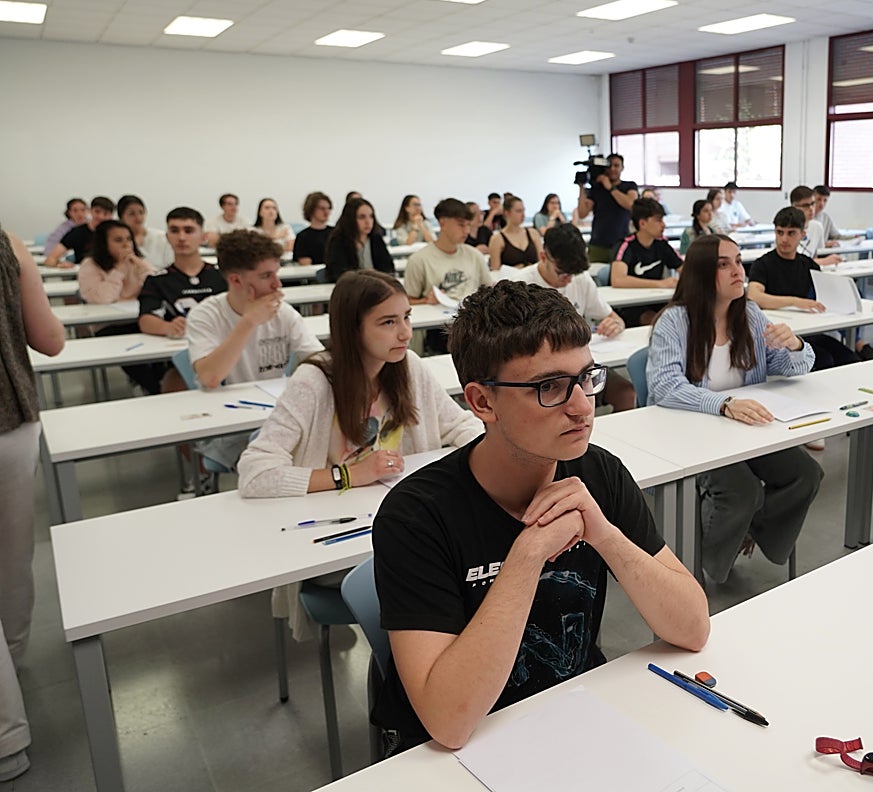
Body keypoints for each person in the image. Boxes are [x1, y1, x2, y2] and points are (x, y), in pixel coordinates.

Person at [371, 280, 709, 751]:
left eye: (586, 378)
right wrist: (528, 554)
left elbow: (692, 628)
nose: (581, 406)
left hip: (572, 712)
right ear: (482, 402)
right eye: (548, 387)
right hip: (462, 750)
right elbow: (448, 723)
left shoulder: (600, 473)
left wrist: (605, 535)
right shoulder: (416, 516)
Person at [238, 270, 483, 637]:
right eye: (388, 322)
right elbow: (255, 473)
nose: (404, 333)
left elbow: (461, 426)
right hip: (340, 541)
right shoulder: (315, 381)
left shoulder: (407, 367)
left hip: (402, 522)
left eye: (406, 318)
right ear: (352, 329)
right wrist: (348, 475)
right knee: (453, 570)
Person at [647, 233, 823, 584]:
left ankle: (750, 530)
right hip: (691, 430)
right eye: (723, 264)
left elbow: (792, 368)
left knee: (806, 474)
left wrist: (795, 345)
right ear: (700, 273)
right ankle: (706, 565)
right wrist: (724, 404)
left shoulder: (751, 314)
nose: (737, 271)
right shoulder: (675, 320)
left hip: (742, 430)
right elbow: (664, 386)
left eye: (739, 261)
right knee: (743, 492)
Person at [0, 226, 65, 782]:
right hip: (10, 422)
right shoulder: (8, 243)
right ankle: (12, 670)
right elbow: (50, 340)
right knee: (12, 560)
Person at [186, 230, 324, 471]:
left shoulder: (283, 313)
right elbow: (210, 377)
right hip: (226, 428)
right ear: (236, 280)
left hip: (275, 417)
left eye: (276, 274)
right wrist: (249, 322)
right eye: (266, 276)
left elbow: (319, 360)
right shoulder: (205, 315)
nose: (277, 284)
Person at [512, 224, 635, 411]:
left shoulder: (582, 279)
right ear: (543, 257)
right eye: (562, 273)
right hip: (540, 374)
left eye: (573, 273)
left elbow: (613, 317)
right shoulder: (520, 286)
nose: (569, 279)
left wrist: (615, 324)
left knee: (626, 393)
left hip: (582, 369)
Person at [747, 207, 873, 369]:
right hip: (778, 336)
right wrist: (796, 302)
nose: (784, 239)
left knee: (849, 359)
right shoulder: (762, 264)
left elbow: (824, 295)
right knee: (824, 361)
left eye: (791, 233)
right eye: (780, 232)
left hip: (807, 331)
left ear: (802, 235)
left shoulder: (807, 264)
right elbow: (755, 296)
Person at [138, 207, 228, 393]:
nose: (181, 237)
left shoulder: (222, 275)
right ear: (167, 236)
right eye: (174, 230)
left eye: (188, 230)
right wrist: (167, 327)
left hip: (223, 349)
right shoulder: (157, 280)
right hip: (182, 355)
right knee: (176, 381)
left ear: (202, 236)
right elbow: (146, 320)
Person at [405, 198, 493, 305]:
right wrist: (426, 300)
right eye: (461, 225)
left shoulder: (475, 255)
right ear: (442, 224)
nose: (466, 231)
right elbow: (408, 301)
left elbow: (490, 290)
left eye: (468, 225)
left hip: (472, 317)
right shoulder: (418, 260)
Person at [611, 198, 681, 326]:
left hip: (657, 302)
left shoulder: (662, 244)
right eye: (658, 220)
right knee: (658, 322)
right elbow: (618, 280)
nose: (663, 225)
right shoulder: (626, 245)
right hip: (631, 305)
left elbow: (684, 268)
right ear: (642, 223)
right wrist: (660, 284)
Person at [77, 219, 155, 304]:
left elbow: (157, 288)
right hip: (105, 315)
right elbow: (101, 299)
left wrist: (140, 264)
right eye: (118, 240)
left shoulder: (136, 262)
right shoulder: (90, 265)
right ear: (104, 244)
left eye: (129, 239)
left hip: (135, 312)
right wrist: (119, 270)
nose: (126, 244)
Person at [324, 197, 393, 283]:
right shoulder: (339, 241)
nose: (368, 221)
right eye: (362, 217)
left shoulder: (376, 239)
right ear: (351, 219)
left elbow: (388, 268)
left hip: (377, 287)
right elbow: (340, 274)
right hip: (351, 290)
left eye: (371, 216)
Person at [586, 153, 638, 263]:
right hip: (597, 243)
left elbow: (630, 204)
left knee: (619, 277)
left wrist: (610, 187)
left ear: (622, 168)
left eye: (616, 166)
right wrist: (581, 187)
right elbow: (582, 213)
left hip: (621, 242)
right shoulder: (597, 189)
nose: (612, 169)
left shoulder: (629, 186)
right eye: (609, 166)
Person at [44, 195, 113, 267]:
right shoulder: (77, 232)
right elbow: (50, 259)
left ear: (111, 216)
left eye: (105, 214)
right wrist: (60, 265)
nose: (100, 216)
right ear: (90, 211)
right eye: (97, 212)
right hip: (84, 274)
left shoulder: (117, 233)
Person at [789, 186, 841, 266]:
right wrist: (825, 261)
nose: (811, 208)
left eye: (813, 204)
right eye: (806, 205)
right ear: (794, 207)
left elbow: (815, 256)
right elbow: (791, 262)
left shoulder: (817, 227)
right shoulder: (786, 227)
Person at [488, 195, 543, 271]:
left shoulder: (533, 233)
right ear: (507, 213)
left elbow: (542, 262)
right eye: (518, 211)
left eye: (523, 210)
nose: (523, 215)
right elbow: (495, 271)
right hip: (511, 279)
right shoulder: (497, 239)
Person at [117, 194, 171, 270]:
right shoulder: (118, 241)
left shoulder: (161, 237)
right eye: (131, 214)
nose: (138, 218)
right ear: (121, 217)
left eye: (141, 212)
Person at [293, 192, 332, 266]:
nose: (326, 212)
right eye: (322, 208)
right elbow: (306, 265)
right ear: (311, 209)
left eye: (328, 208)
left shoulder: (336, 233)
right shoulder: (303, 237)